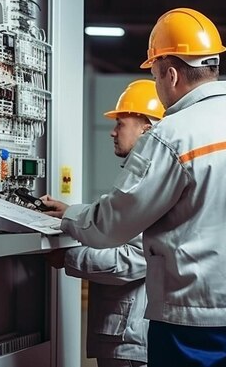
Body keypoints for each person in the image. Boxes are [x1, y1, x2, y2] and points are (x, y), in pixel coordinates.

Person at [42, 8, 226, 367]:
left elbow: (114, 223)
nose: (158, 88)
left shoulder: (174, 135)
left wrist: (70, 217)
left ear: (171, 73)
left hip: (189, 323)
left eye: (155, 75)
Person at [47, 80, 165, 367]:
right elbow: (116, 221)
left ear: (146, 129)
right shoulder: (141, 177)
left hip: (130, 338)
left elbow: (134, 259)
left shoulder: (147, 184)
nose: (112, 132)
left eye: (121, 123)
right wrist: (70, 212)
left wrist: (67, 257)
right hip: (125, 333)